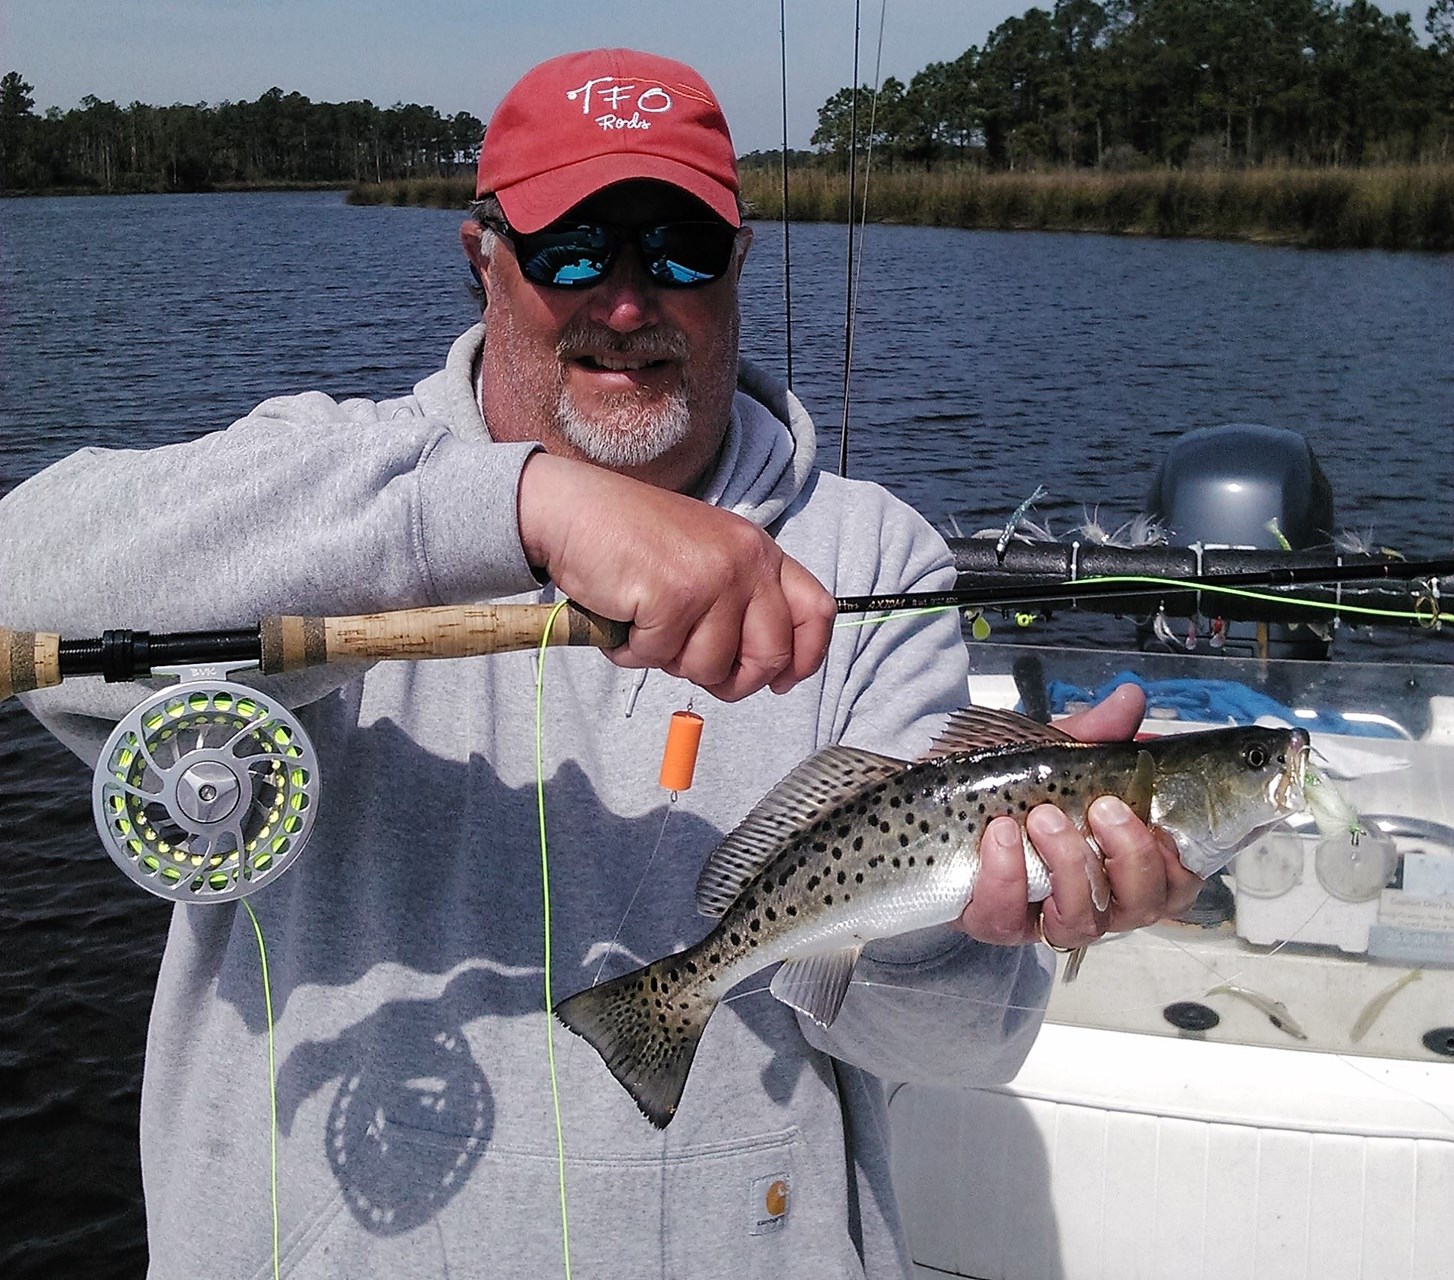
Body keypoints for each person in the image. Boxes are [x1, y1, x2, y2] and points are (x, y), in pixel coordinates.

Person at [0, 48, 1196, 1280]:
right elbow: (21, 573)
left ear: (737, 263)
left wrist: (946, 927)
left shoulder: (867, 554)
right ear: (482, 260)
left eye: (678, 249)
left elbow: (954, 1049)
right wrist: (523, 508)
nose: (625, 304)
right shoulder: (319, 491)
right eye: (571, 251)